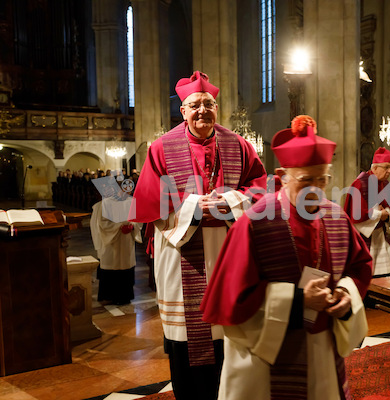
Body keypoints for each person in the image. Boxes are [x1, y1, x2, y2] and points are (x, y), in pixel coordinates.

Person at [200, 115, 373, 399]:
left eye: (323, 178)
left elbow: (358, 267)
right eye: (307, 180)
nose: (317, 188)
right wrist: (297, 300)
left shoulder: (336, 217)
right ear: (281, 177)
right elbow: (233, 299)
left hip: (322, 348)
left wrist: (345, 294)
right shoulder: (256, 222)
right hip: (265, 357)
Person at [129, 71, 267, 400]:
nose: (202, 110)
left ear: (217, 107)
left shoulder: (239, 145)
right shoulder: (162, 148)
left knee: (229, 335)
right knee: (185, 341)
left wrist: (229, 201)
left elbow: (261, 188)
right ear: (183, 110)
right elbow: (148, 202)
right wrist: (192, 207)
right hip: (181, 256)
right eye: (195, 105)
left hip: (227, 251)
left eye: (209, 104)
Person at [343, 147, 390, 276]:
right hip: (365, 237)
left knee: (387, 276)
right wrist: (380, 214)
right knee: (366, 274)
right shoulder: (360, 184)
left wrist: (386, 214)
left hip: (380, 235)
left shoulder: (385, 184)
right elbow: (357, 214)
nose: (389, 171)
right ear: (375, 168)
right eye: (385, 167)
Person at [90, 183, 142, 305]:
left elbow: (139, 219)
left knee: (125, 265)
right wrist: (119, 226)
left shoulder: (132, 201)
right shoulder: (105, 204)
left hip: (126, 240)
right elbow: (102, 224)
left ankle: (125, 296)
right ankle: (109, 296)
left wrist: (132, 226)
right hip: (111, 240)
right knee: (111, 265)